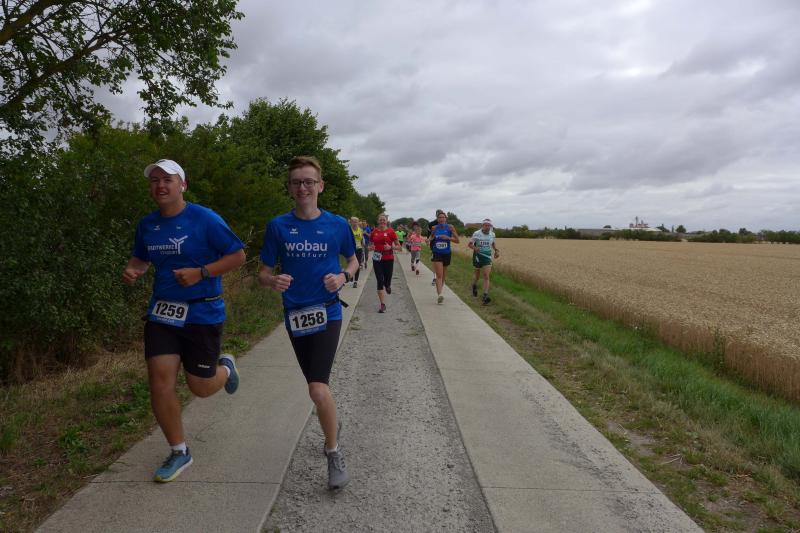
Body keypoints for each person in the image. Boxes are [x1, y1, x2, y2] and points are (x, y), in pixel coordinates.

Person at [122, 159, 245, 483]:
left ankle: (225, 368)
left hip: (202, 312)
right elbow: (141, 257)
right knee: (159, 381)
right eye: (155, 180)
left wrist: (201, 273)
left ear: (183, 185)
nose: (160, 185)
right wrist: (135, 269)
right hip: (163, 313)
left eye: (168, 180)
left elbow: (237, 255)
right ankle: (179, 451)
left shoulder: (205, 219)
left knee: (200, 387)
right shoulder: (148, 224)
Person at [259, 156, 358, 490]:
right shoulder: (278, 226)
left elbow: (354, 261)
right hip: (295, 316)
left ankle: (333, 451)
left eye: (309, 182)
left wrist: (343, 277)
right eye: (296, 182)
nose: (303, 187)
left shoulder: (337, 225)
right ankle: (332, 424)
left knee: (317, 387)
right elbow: (263, 272)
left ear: (320, 186)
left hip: (328, 311)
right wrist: (272, 281)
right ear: (290, 188)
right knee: (317, 388)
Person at [368, 213, 400, 313]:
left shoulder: (391, 231)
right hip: (377, 258)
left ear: (386, 221)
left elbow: (399, 247)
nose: (382, 221)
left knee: (387, 280)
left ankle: (388, 285)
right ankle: (382, 305)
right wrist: (370, 247)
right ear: (378, 221)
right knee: (379, 280)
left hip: (388, 258)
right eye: (380, 220)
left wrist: (391, 247)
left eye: (384, 220)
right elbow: (370, 244)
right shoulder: (374, 232)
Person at [428, 209, 460, 304]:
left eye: (443, 217)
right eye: (439, 217)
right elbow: (432, 236)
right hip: (437, 252)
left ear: (446, 219)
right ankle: (440, 295)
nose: (441, 219)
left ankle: (440, 291)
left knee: (443, 275)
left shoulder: (450, 227)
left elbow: (457, 240)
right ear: (437, 219)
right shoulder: (434, 228)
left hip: (446, 253)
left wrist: (448, 238)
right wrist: (428, 240)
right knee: (439, 275)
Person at [468, 218, 500, 304]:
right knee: (477, 276)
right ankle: (474, 285)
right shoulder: (477, 233)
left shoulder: (492, 234)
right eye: (486, 225)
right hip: (477, 256)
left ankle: (485, 296)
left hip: (487, 256)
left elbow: (492, 243)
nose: (487, 227)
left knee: (486, 275)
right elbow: (470, 244)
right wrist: (475, 248)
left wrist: (496, 250)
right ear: (482, 226)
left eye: (489, 225)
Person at [349, 216, 364, 287]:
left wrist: (363, 247)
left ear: (358, 222)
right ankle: (351, 275)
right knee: (350, 264)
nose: (355, 223)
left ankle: (355, 281)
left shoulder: (360, 230)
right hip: (351, 249)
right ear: (351, 222)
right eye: (353, 222)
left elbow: (361, 239)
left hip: (359, 249)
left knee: (357, 264)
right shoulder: (349, 230)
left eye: (356, 222)